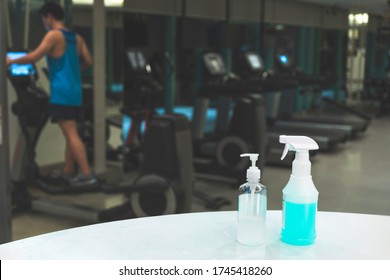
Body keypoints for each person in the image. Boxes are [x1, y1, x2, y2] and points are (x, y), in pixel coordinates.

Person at [6, 1, 97, 187]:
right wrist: (73, 70)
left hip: (62, 92)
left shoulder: (53, 35)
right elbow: (89, 60)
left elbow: (33, 57)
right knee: (70, 133)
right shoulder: (76, 37)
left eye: (43, 19)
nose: (44, 23)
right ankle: (67, 172)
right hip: (75, 92)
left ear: (49, 17)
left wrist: (9, 61)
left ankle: (87, 174)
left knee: (71, 133)